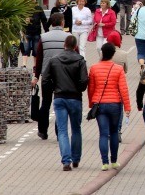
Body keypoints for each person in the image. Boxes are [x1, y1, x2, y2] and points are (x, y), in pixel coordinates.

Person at [42, 34, 88, 171]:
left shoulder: (54, 60)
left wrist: (52, 89)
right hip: (75, 98)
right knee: (76, 128)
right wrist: (79, 89)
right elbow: (84, 80)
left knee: (62, 130)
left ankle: (66, 161)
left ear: (64, 45)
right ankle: (76, 159)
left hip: (59, 97)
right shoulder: (80, 60)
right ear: (75, 46)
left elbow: (45, 78)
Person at [88, 42, 131, 171]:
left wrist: (91, 103)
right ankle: (114, 161)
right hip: (115, 105)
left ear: (102, 53)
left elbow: (91, 88)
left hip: (100, 105)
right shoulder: (118, 69)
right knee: (113, 132)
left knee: (103, 134)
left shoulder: (94, 68)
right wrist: (127, 107)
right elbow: (123, 89)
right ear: (113, 54)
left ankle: (104, 162)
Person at [31, 13, 70, 140]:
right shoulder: (68, 37)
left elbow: (39, 58)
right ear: (62, 23)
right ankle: (60, 132)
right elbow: (74, 56)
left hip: (47, 75)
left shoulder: (43, 37)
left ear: (51, 23)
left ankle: (42, 131)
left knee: (46, 102)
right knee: (61, 103)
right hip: (63, 76)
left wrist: (36, 76)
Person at [22, 0, 48, 68]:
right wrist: (24, 21)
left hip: (36, 32)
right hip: (26, 32)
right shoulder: (24, 9)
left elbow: (44, 20)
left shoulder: (39, 8)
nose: (33, 0)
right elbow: (20, 20)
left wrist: (46, 30)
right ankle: (24, 65)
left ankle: (35, 66)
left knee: (36, 50)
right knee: (25, 49)